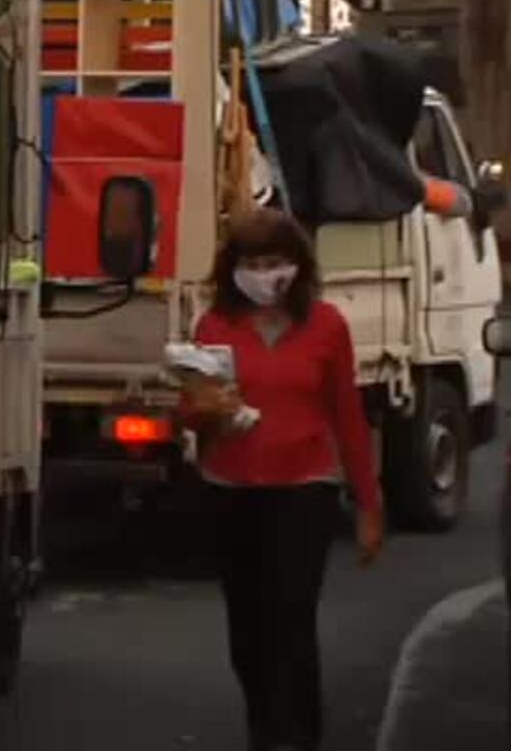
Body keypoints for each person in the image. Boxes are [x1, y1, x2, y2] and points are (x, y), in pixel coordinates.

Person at [181, 209, 384, 751]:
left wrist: (369, 504)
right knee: (248, 624)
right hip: (233, 487)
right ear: (233, 269)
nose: (264, 274)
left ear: (296, 266)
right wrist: (205, 409)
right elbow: (193, 412)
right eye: (252, 263)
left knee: (292, 613)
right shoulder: (215, 328)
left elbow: (348, 417)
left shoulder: (326, 326)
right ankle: (263, 724)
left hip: (305, 488)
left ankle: (296, 735)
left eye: (275, 262)